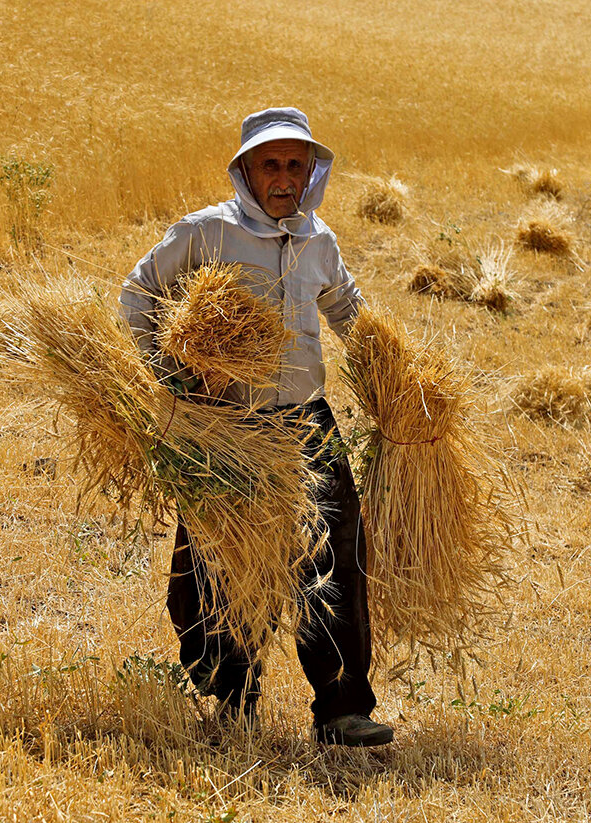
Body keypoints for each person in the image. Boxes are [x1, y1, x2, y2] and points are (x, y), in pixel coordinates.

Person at [119, 107, 393, 748]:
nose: (285, 177)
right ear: (245, 170)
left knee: (334, 557)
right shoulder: (206, 233)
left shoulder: (318, 240)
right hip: (227, 425)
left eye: (297, 165)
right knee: (221, 562)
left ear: (311, 173)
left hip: (307, 423)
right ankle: (231, 699)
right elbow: (138, 294)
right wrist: (171, 375)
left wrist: (393, 383)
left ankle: (342, 708)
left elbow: (351, 313)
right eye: (271, 164)